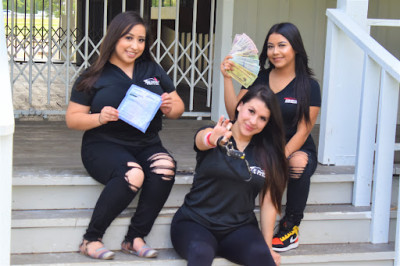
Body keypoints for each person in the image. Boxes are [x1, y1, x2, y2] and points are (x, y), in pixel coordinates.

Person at [65, 11, 184, 260]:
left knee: (165, 167)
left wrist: (170, 107)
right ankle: (91, 239)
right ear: (115, 37)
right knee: (134, 173)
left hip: (147, 143)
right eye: (128, 38)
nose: (135, 46)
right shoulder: (94, 75)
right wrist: (99, 117)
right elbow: (72, 119)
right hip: (103, 145)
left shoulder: (152, 69)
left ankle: (134, 238)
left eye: (141, 40)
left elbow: (177, 108)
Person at [221, 22, 321, 252]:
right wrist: (227, 79)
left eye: (282, 45)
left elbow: (304, 130)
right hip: (262, 145)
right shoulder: (258, 78)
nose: (275, 52)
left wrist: (281, 156)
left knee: (297, 163)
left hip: (294, 147)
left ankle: (291, 224)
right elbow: (234, 113)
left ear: (295, 48)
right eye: (270, 46)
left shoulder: (309, 86)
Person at [170, 86, 288, 266]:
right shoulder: (217, 132)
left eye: (262, 118)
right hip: (195, 223)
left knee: (263, 259)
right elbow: (201, 140)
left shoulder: (268, 153)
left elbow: (268, 202)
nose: (254, 121)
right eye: (251, 111)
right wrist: (212, 139)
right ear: (240, 106)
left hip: (239, 229)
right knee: (201, 253)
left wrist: (267, 246)